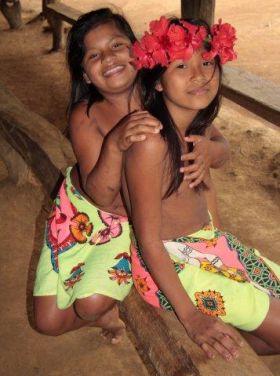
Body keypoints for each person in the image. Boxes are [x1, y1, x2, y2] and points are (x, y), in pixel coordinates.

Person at [33, 9, 229, 342]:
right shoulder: (87, 114)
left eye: (117, 45)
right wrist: (115, 145)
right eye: (94, 55)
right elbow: (101, 196)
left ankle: (114, 299)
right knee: (48, 323)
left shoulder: (164, 95)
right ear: (87, 74)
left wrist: (212, 152)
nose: (108, 58)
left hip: (134, 222)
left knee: (89, 304)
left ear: (138, 51)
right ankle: (108, 305)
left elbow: (219, 145)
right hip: (84, 214)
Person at [122, 16, 280, 360]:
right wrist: (191, 318)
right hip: (170, 264)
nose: (199, 75)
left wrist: (212, 151)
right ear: (158, 81)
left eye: (207, 62)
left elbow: (221, 148)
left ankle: (236, 326)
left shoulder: (196, 121)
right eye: (181, 65)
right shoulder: (151, 142)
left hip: (207, 247)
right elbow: (149, 240)